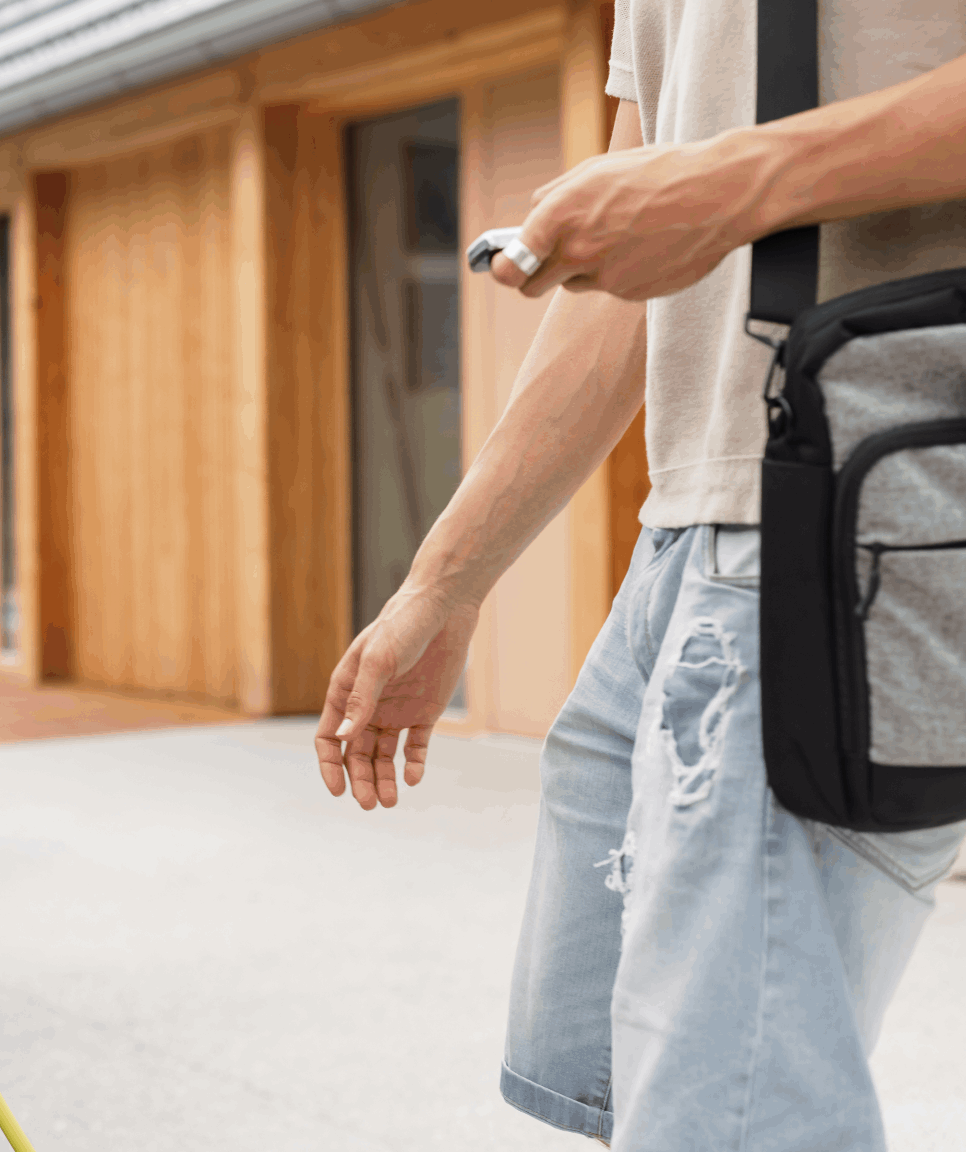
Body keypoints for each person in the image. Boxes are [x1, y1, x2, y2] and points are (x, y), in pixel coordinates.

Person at [314, 2, 966, 1148]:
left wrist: (741, 180)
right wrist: (448, 579)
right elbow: (628, 279)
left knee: (729, 1118)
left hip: (854, 510)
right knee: (616, 1078)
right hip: (697, 536)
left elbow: (698, 191)